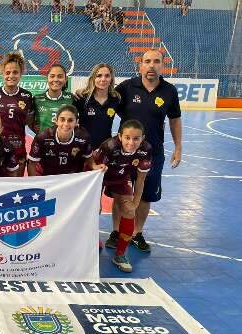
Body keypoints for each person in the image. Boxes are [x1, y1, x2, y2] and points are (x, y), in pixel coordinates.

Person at [108, 49, 182, 253]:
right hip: (123, 153)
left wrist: (178, 147)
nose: (151, 65)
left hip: (153, 153)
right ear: (140, 65)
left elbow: (175, 120)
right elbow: (106, 103)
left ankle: (136, 233)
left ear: (162, 65)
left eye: (156, 61)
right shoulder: (126, 88)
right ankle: (115, 231)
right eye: (147, 61)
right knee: (119, 193)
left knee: (146, 196)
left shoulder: (169, 91)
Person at [93, 120, 152, 272]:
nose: (131, 142)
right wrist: (96, 201)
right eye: (127, 137)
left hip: (121, 179)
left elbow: (140, 180)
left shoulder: (146, 150)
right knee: (93, 209)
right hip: (99, 176)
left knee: (129, 211)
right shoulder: (109, 146)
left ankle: (119, 255)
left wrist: (135, 203)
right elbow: (94, 172)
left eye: (136, 138)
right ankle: (91, 240)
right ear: (120, 136)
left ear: (142, 138)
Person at [0, 52, 34, 175]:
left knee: (15, 189)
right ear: (2, 73)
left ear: (20, 74)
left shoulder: (27, 96)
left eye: (15, 72)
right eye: (7, 73)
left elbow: (30, 122)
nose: (11, 76)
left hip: (18, 150)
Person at [27, 104, 104, 176]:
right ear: (56, 121)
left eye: (70, 120)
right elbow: (32, 163)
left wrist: (94, 166)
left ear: (76, 122)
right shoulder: (42, 137)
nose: (66, 124)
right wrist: (34, 182)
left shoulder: (83, 137)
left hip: (71, 179)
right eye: (62, 120)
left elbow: (88, 157)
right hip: (47, 177)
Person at [73, 63, 121, 150]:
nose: (103, 79)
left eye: (107, 76)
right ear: (93, 78)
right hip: (83, 148)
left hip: (105, 149)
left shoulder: (116, 99)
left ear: (111, 79)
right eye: (99, 76)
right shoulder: (82, 98)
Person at [33, 63, 73, 133]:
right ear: (47, 78)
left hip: (65, 141)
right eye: (52, 76)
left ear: (66, 79)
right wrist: (33, 126)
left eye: (60, 76)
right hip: (43, 141)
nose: (56, 79)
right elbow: (28, 119)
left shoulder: (72, 98)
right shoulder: (36, 99)